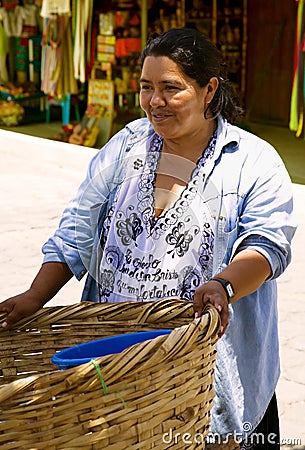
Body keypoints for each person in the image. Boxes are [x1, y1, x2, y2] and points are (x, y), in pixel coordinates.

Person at [0, 28, 296, 449]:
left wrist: (224, 285)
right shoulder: (127, 145)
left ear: (209, 89)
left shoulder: (253, 162)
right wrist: (35, 294)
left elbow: (266, 246)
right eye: (146, 88)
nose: (155, 102)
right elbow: (77, 230)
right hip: (117, 371)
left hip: (205, 376)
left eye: (171, 88)